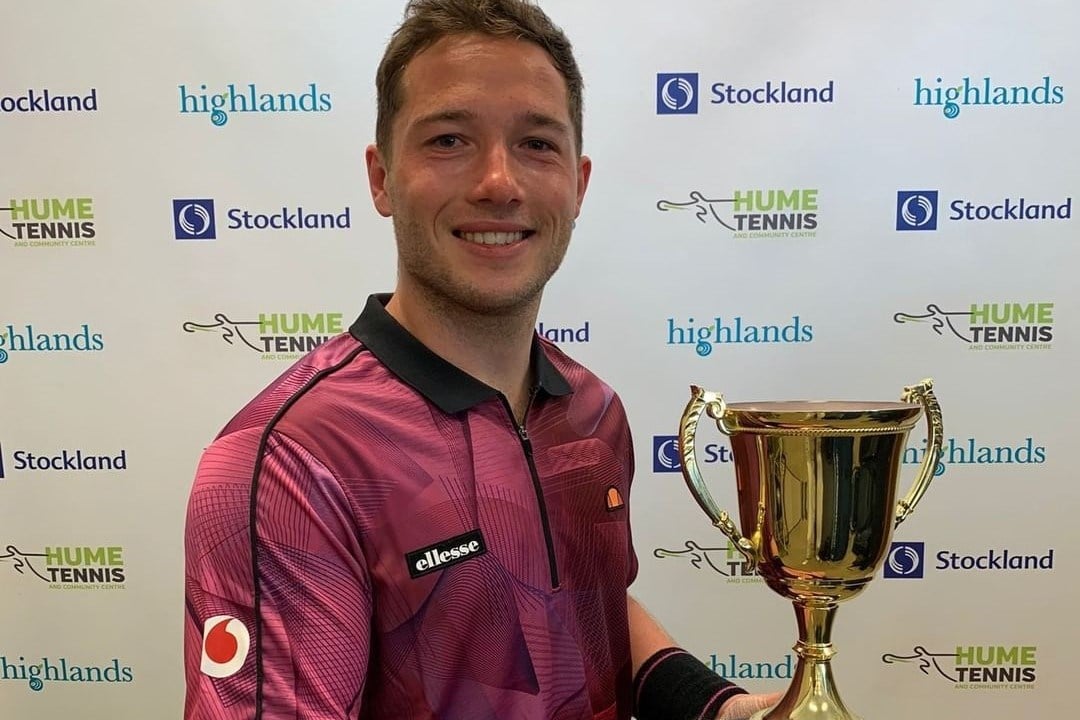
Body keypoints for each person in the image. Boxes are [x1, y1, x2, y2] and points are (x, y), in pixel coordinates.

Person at [184, 1, 781, 718]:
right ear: (381, 178)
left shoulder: (592, 413)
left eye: (536, 144)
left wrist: (714, 708)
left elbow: (580, 610)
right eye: (448, 140)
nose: (500, 182)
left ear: (578, 183)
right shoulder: (288, 461)